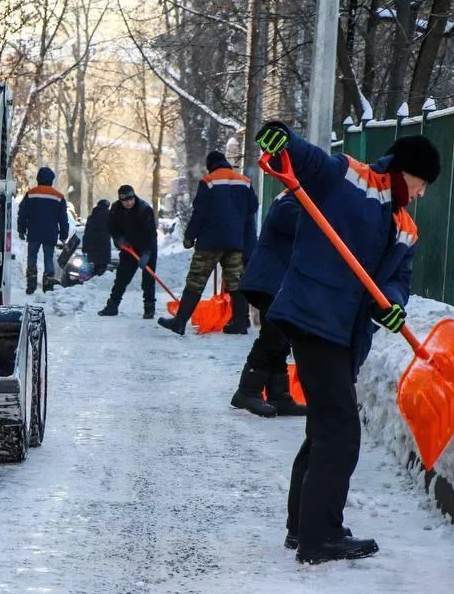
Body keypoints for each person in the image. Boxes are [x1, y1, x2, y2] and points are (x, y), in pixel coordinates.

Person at [252, 121, 439, 565]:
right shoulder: (349, 178)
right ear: (404, 170)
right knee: (339, 432)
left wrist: (391, 305)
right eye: (422, 183)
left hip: (347, 332)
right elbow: (307, 161)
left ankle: (304, 528)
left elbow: (397, 281)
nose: (422, 193)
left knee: (324, 428)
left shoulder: (406, 229)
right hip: (314, 316)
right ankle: (321, 535)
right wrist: (281, 138)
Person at [157, 150, 258, 335]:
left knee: (196, 280)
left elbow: (199, 213)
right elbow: (253, 207)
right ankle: (240, 324)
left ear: (210, 164)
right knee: (236, 282)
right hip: (235, 242)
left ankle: (179, 322)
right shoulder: (244, 181)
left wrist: (189, 236)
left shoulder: (209, 181)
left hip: (210, 242)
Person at [228, 190, 306, 418]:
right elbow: (288, 219)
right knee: (272, 337)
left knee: (281, 339)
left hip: (278, 281)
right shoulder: (289, 201)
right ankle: (247, 390)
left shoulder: (298, 199)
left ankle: (279, 396)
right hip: (268, 280)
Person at [99, 185, 158, 319]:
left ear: (134, 196)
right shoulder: (115, 209)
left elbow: (151, 234)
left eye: (131, 199)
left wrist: (147, 253)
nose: (128, 203)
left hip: (147, 246)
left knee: (148, 280)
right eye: (125, 201)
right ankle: (112, 306)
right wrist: (118, 239)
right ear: (120, 200)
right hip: (129, 247)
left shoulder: (144, 209)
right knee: (122, 277)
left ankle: (149, 309)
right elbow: (112, 227)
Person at [16, 166, 69, 294]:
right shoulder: (58, 197)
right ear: (51, 180)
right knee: (48, 258)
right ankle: (48, 285)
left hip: (34, 232)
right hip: (50, 233)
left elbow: (22, 213)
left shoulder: (31, 194)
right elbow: (63, 218)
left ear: (38, 179)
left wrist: (21, 230)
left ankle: (31, 285)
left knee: (32, 258)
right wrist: (63, 234)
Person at [82, 199, 112, 278]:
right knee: (102, 271)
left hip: (92, 249)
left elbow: (87, 234)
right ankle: (98, 285)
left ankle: (93, 285)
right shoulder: (110, 217)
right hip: (104, 248)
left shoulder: (91, 217)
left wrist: (84, 248)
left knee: (94, 270)